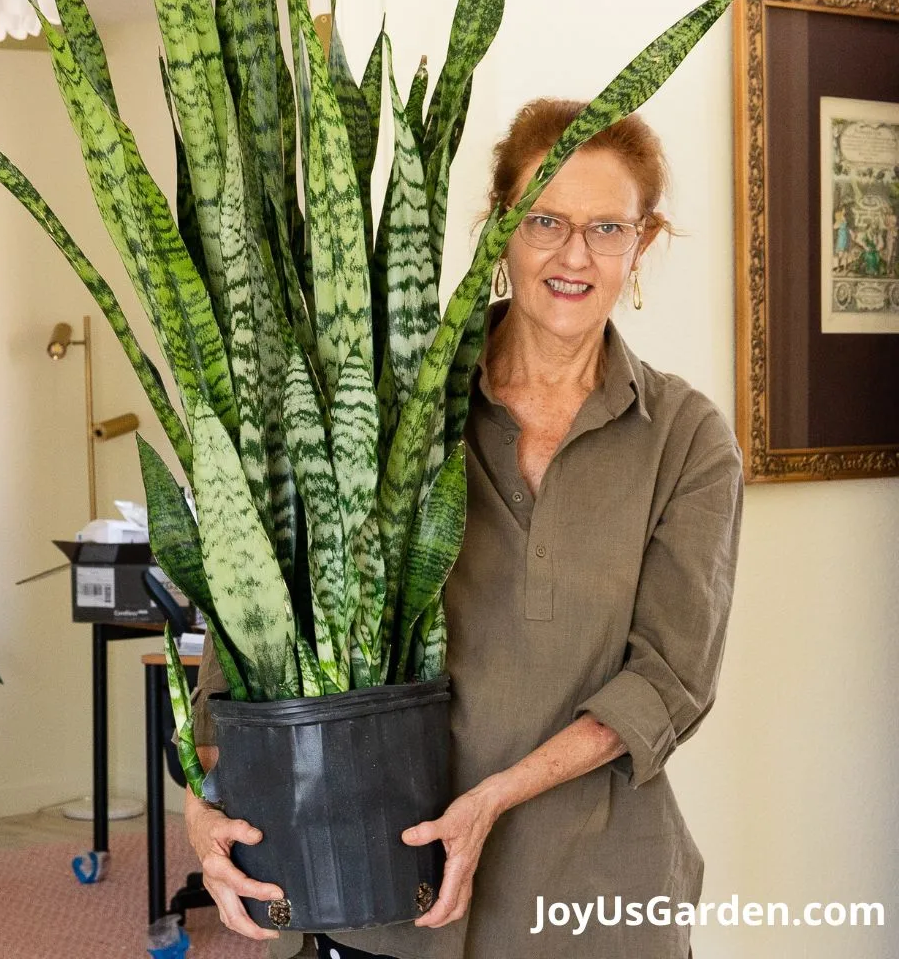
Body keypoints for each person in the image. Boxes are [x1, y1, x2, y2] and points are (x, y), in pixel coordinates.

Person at [184, 97, 745, 959]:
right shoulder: (385, 404)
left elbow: (668, 681)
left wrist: (492, 800)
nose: (573, 254)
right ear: (500, 230)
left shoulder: (685, 437)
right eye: (545, 219)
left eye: (607, 228)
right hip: (373, 889)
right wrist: (201, 801)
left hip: (589, 901)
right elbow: (258, 623)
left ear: (644, 243)